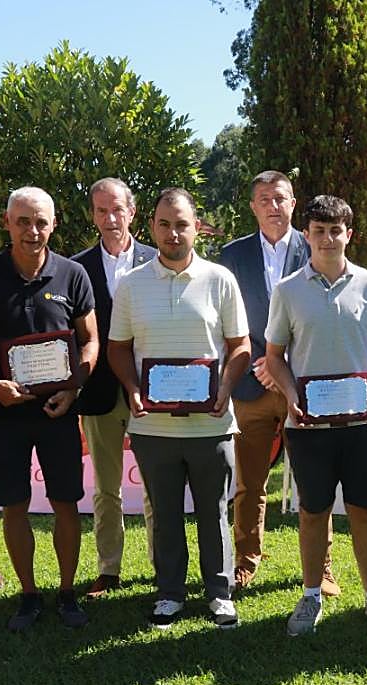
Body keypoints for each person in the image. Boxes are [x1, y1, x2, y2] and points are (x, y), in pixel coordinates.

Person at [107, 188, 251, 630]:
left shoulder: (220, 279)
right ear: (152, 227)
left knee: (214, 512)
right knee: (165, 514)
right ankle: (169, 594)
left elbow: (240, 346)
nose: (173, 233)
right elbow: (118, 348)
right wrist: (132, 388)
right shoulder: (131, 284)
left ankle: (219, 593)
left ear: (197, 228)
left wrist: (225, 388)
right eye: (165, 224)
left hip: (211, 423)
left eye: (182, 224)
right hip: (153, 427)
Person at [0, 186, 99, 631]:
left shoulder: (73, 274)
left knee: (66, 504)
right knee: (15, 506)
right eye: (23, 221)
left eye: (41, 222)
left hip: (59, 412)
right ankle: (28, 594)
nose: (32, 231)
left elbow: (90, 340)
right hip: (5, 415)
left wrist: (74, 388)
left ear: (53, 225)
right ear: (7, 223)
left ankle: (67, 592)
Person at [264, 195, 367, 637]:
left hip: (363, 424)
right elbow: (274, 356)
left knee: (364, 511)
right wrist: (290, 395)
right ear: (307, 235)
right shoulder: (287, 290)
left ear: (349, 234)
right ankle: (311, 595)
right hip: (308, 426)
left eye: (335, 230)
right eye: (319, 231)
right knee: (313, 512)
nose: (327, 239)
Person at [219, 171, 340, 596]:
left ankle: (322, 568)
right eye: (265, 199)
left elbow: (327, 315)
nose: (273, 206)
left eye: (281, 198)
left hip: (302, 387)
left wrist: (283, 365)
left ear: (293, 204)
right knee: (249, 484)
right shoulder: (232, 255)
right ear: (253, 206)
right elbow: (227, 320)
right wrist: (262, 364)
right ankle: (245, 561)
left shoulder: (316, 249)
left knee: (313, 481)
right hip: (251, 385)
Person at [71, 178, 157, 597]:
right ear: (93, 215)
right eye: (102, 211)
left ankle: (163, 566)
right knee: (106, 488)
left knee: (157, 487)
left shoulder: (158, 261)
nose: (110, 218)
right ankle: (109, 568)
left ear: (132, 212)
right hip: (99, 392)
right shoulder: (76, 268)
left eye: (117, 210)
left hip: (152, 390)